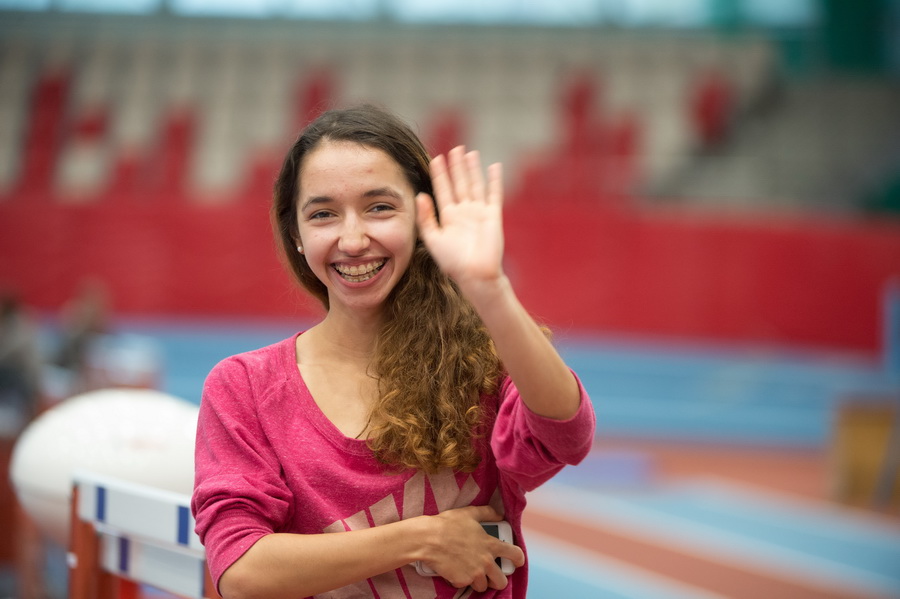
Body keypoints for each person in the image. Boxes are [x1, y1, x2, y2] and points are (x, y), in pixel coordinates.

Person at [191, 104, 596, 599]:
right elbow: (242, 573)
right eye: (323, 214)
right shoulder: (244, 387)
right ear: (296, 235)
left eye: (379, 207)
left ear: (422, 217)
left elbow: (567, 434)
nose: (353, 239)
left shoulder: (478, 365)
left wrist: (488, 288)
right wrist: (421, 539)